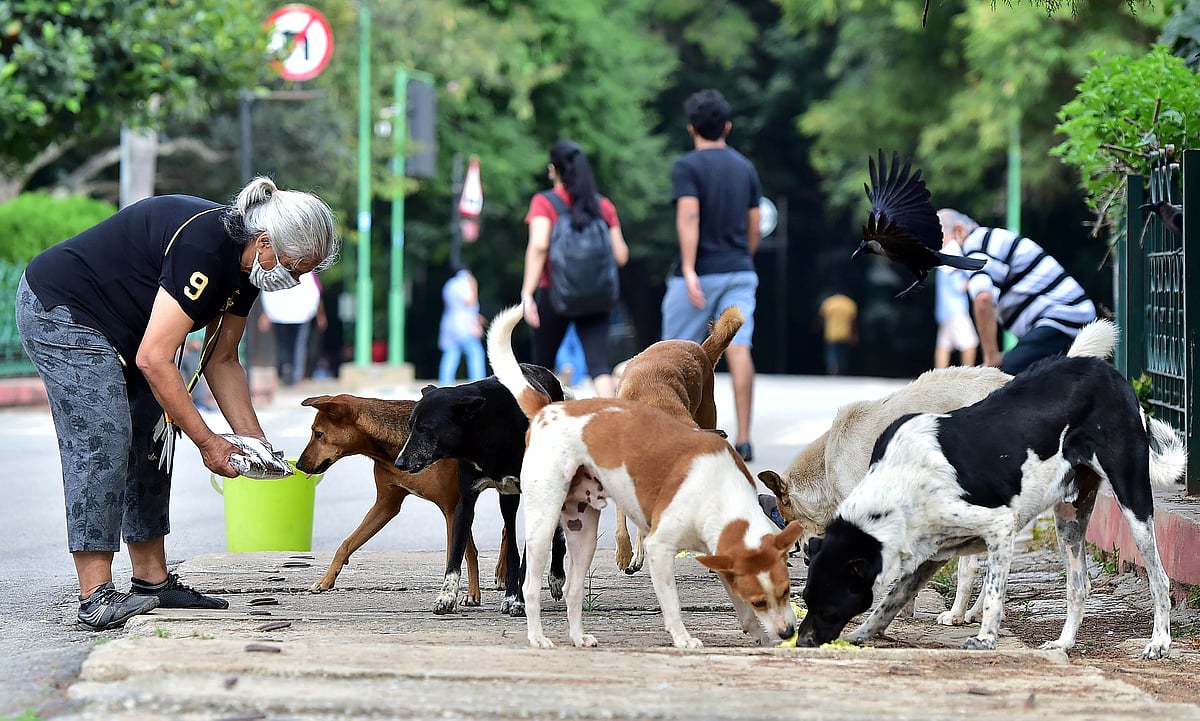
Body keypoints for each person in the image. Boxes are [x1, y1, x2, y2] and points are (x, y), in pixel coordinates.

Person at [16, 176, 339, 631]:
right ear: (265, 242)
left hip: (126, 333)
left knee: (153, 435)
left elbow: (223, 360)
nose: (296, 279)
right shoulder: (205, 246)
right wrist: (209, 442)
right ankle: (95, 594)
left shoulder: (248, 273)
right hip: (64, 311)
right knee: (104, 438)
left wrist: (255, 442)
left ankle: (152, 580)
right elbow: (155, 358)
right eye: (294, 265)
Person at [661, 88, 761, 461]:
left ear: (692, 129)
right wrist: (742, 258)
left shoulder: (687, 166)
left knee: (672, 351)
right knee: (739, 345)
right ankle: (745, 436)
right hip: (738, 270)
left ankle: (672, 431)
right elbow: (755, 223)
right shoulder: (745, 167)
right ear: (728, 127)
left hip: (699, 273)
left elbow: (689, 216)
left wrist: (688, 268)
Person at [521, 140, 629, 398]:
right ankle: (615, 427)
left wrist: (527, 293)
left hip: (555, 293)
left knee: (541, 367)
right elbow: (621, 256)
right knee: (599, 366)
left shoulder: (544, 202)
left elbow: (538, 246)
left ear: (553, 169)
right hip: (597, 297)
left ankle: (538, 430)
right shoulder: (602, 206)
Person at [938, 208, 1097, 374]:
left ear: (959, 231)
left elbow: (983, 298)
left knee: (1002, 381)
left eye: (941, 243)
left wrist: (990, 358)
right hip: (1065, 320)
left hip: (1062, 319)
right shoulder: (988, 239)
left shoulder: (976, 245)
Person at [258, 271, 326, 386]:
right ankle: (291, 376)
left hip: (289, 314)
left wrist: (320, 314)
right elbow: (316, 292)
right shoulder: (308, 269)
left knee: (286, 346)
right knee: (294, 346)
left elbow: (269, 288)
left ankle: (289, 375)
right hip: (292, 314)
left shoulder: (280, 266)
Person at [933, 237, 979, 368]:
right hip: (956, 310)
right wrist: (977, 278)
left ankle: (937, 381)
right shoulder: (955, 252)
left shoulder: (944, 253)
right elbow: (959, 286)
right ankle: (967, 379)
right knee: (970, 343)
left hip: (944, 310)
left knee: (944, 345)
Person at [437, 266, 487, 386]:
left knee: (451, 354)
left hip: (449, 324)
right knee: (476, 353)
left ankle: (444, 385)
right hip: (464, 326)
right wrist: (474, 286)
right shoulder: (466, 282)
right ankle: (478, 384)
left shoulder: (449, 285)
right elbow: (470, 302)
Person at [818, 291, 858, 376]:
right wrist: (854, 334)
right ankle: (840, 369)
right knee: (842, 354)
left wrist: (817, 327)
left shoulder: (829, 302)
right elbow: (853, 322)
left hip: (832, 333)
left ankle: (833, 366)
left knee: (831, 353)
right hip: (845, 333)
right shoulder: (849, 303)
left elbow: (821, 317)